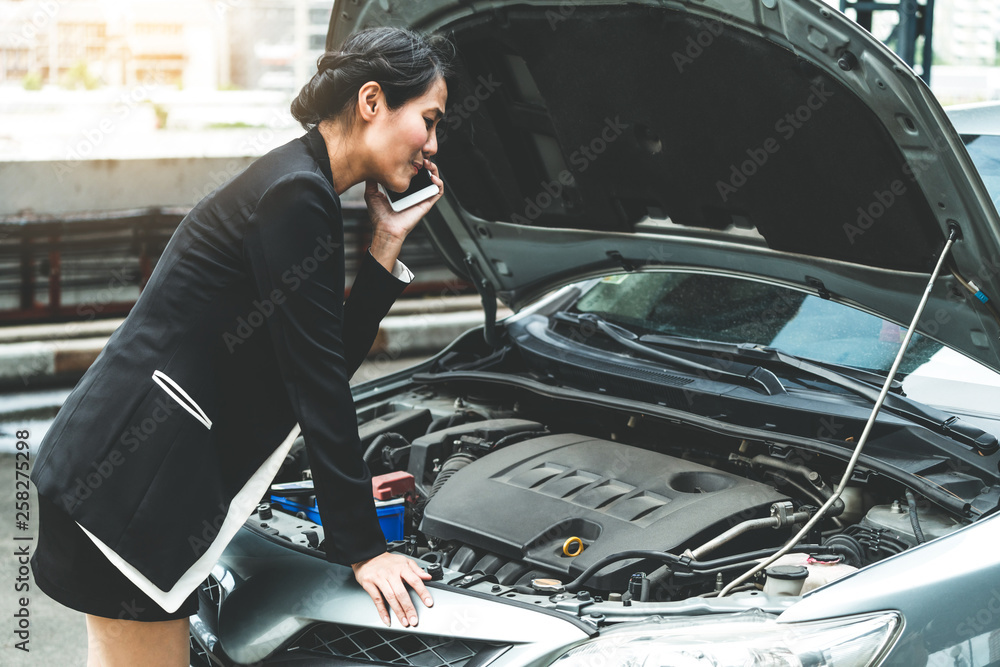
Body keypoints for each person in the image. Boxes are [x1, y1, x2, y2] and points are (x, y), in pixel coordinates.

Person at [28, 26, 456, 665]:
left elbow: (321, 358)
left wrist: (385, 241)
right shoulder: (295, 194)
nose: (432, 145)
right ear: (372, 102)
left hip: (121, 477)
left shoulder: (299, 182)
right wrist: (364, 547)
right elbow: (319, 385)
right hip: (132, 489)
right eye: (428, 119)